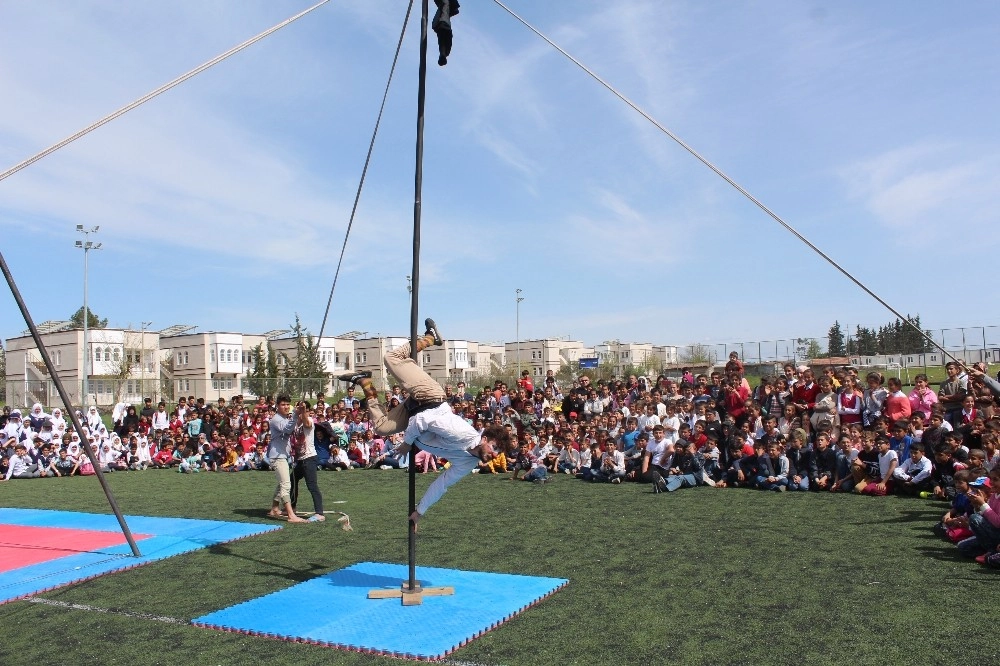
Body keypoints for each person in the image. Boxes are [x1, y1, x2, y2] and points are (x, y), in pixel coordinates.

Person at [340, 319, 511, 529]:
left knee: (382, 428)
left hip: (415, 411)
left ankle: (365, 382)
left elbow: (441, 484)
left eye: (498, 453)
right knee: (391, 357)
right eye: (494, 447)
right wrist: (407, 443)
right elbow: (423, 421)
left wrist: (420, 511)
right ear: (484, 438)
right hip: (429, 397)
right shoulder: (462, 433)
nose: (494, 454)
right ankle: (431, 338)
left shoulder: (468, 464)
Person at [266, 395, 307, 523]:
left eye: (287, 404)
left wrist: (299, 413)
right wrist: (295, 414)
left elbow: (292, 427)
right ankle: (291, 515)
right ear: (277, 406)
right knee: (286, 485)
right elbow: (287, 429)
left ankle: (274, 508)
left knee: (281, 483)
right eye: (282, 404)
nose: (285, 407)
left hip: (282, 455)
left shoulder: (284, 418)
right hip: (277, 456)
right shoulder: (276, 419)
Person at [290, 401, 324, 522]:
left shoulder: (308, 419)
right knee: (292, 479)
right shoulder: (294, 423)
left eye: (303, 409)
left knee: (312, 485)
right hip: (300, 460)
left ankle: (319, 513)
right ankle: (292, 507)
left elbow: (307, 424)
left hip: (309, 458)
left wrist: (303, 411)